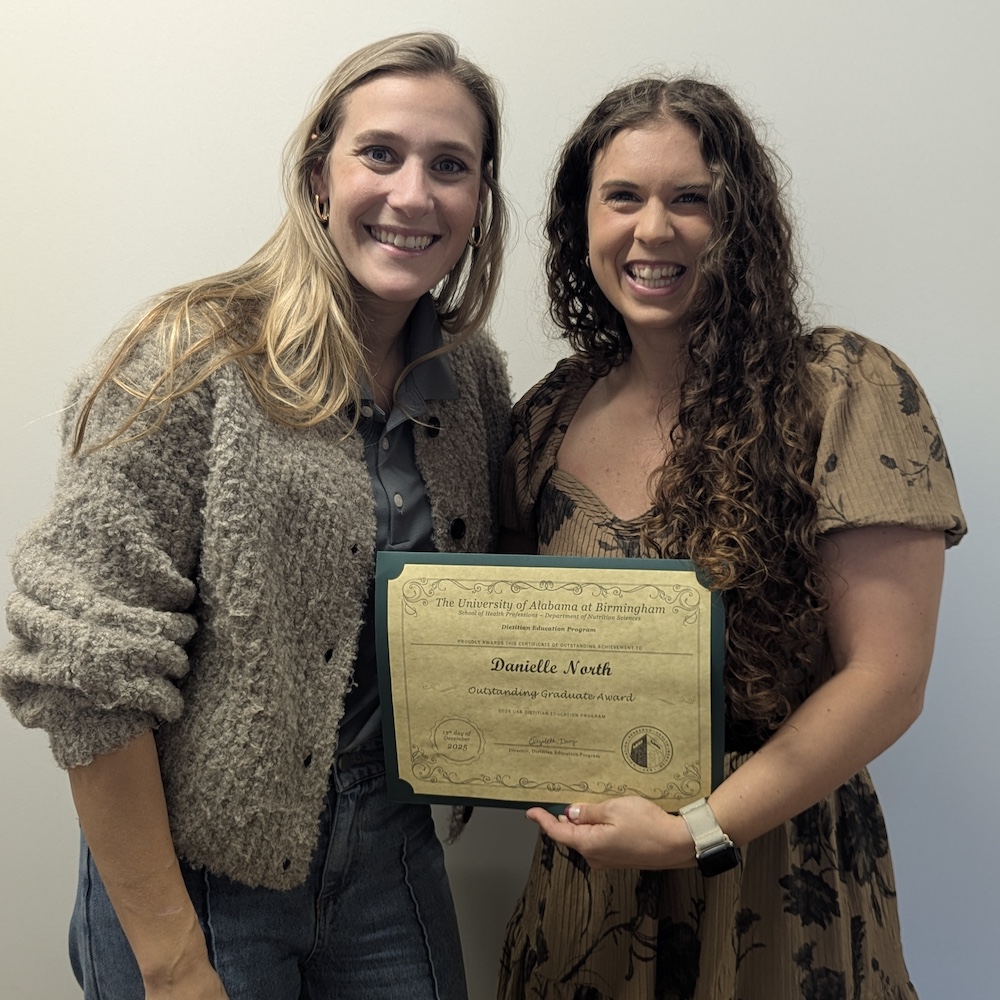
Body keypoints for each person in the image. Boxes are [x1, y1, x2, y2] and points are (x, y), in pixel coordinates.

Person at [1, 31, 510, 1000]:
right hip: (196, 867)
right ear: (320, 172)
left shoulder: (472, 379)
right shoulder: (185, 357)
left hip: (392, 849)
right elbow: (84, 671)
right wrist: (172, 959)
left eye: (450, 166)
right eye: (381, 154)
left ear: (481, 200)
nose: (413, 194)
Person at [497, 77, 964, 1000]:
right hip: (589, 891)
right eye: (622, 197)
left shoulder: (843, 390)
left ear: (740, 221)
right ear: (580, 221)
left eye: (691, 200)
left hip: (775, 882)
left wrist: (694, 830)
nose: (652, 230)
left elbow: (887, 680)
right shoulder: (545, 416)